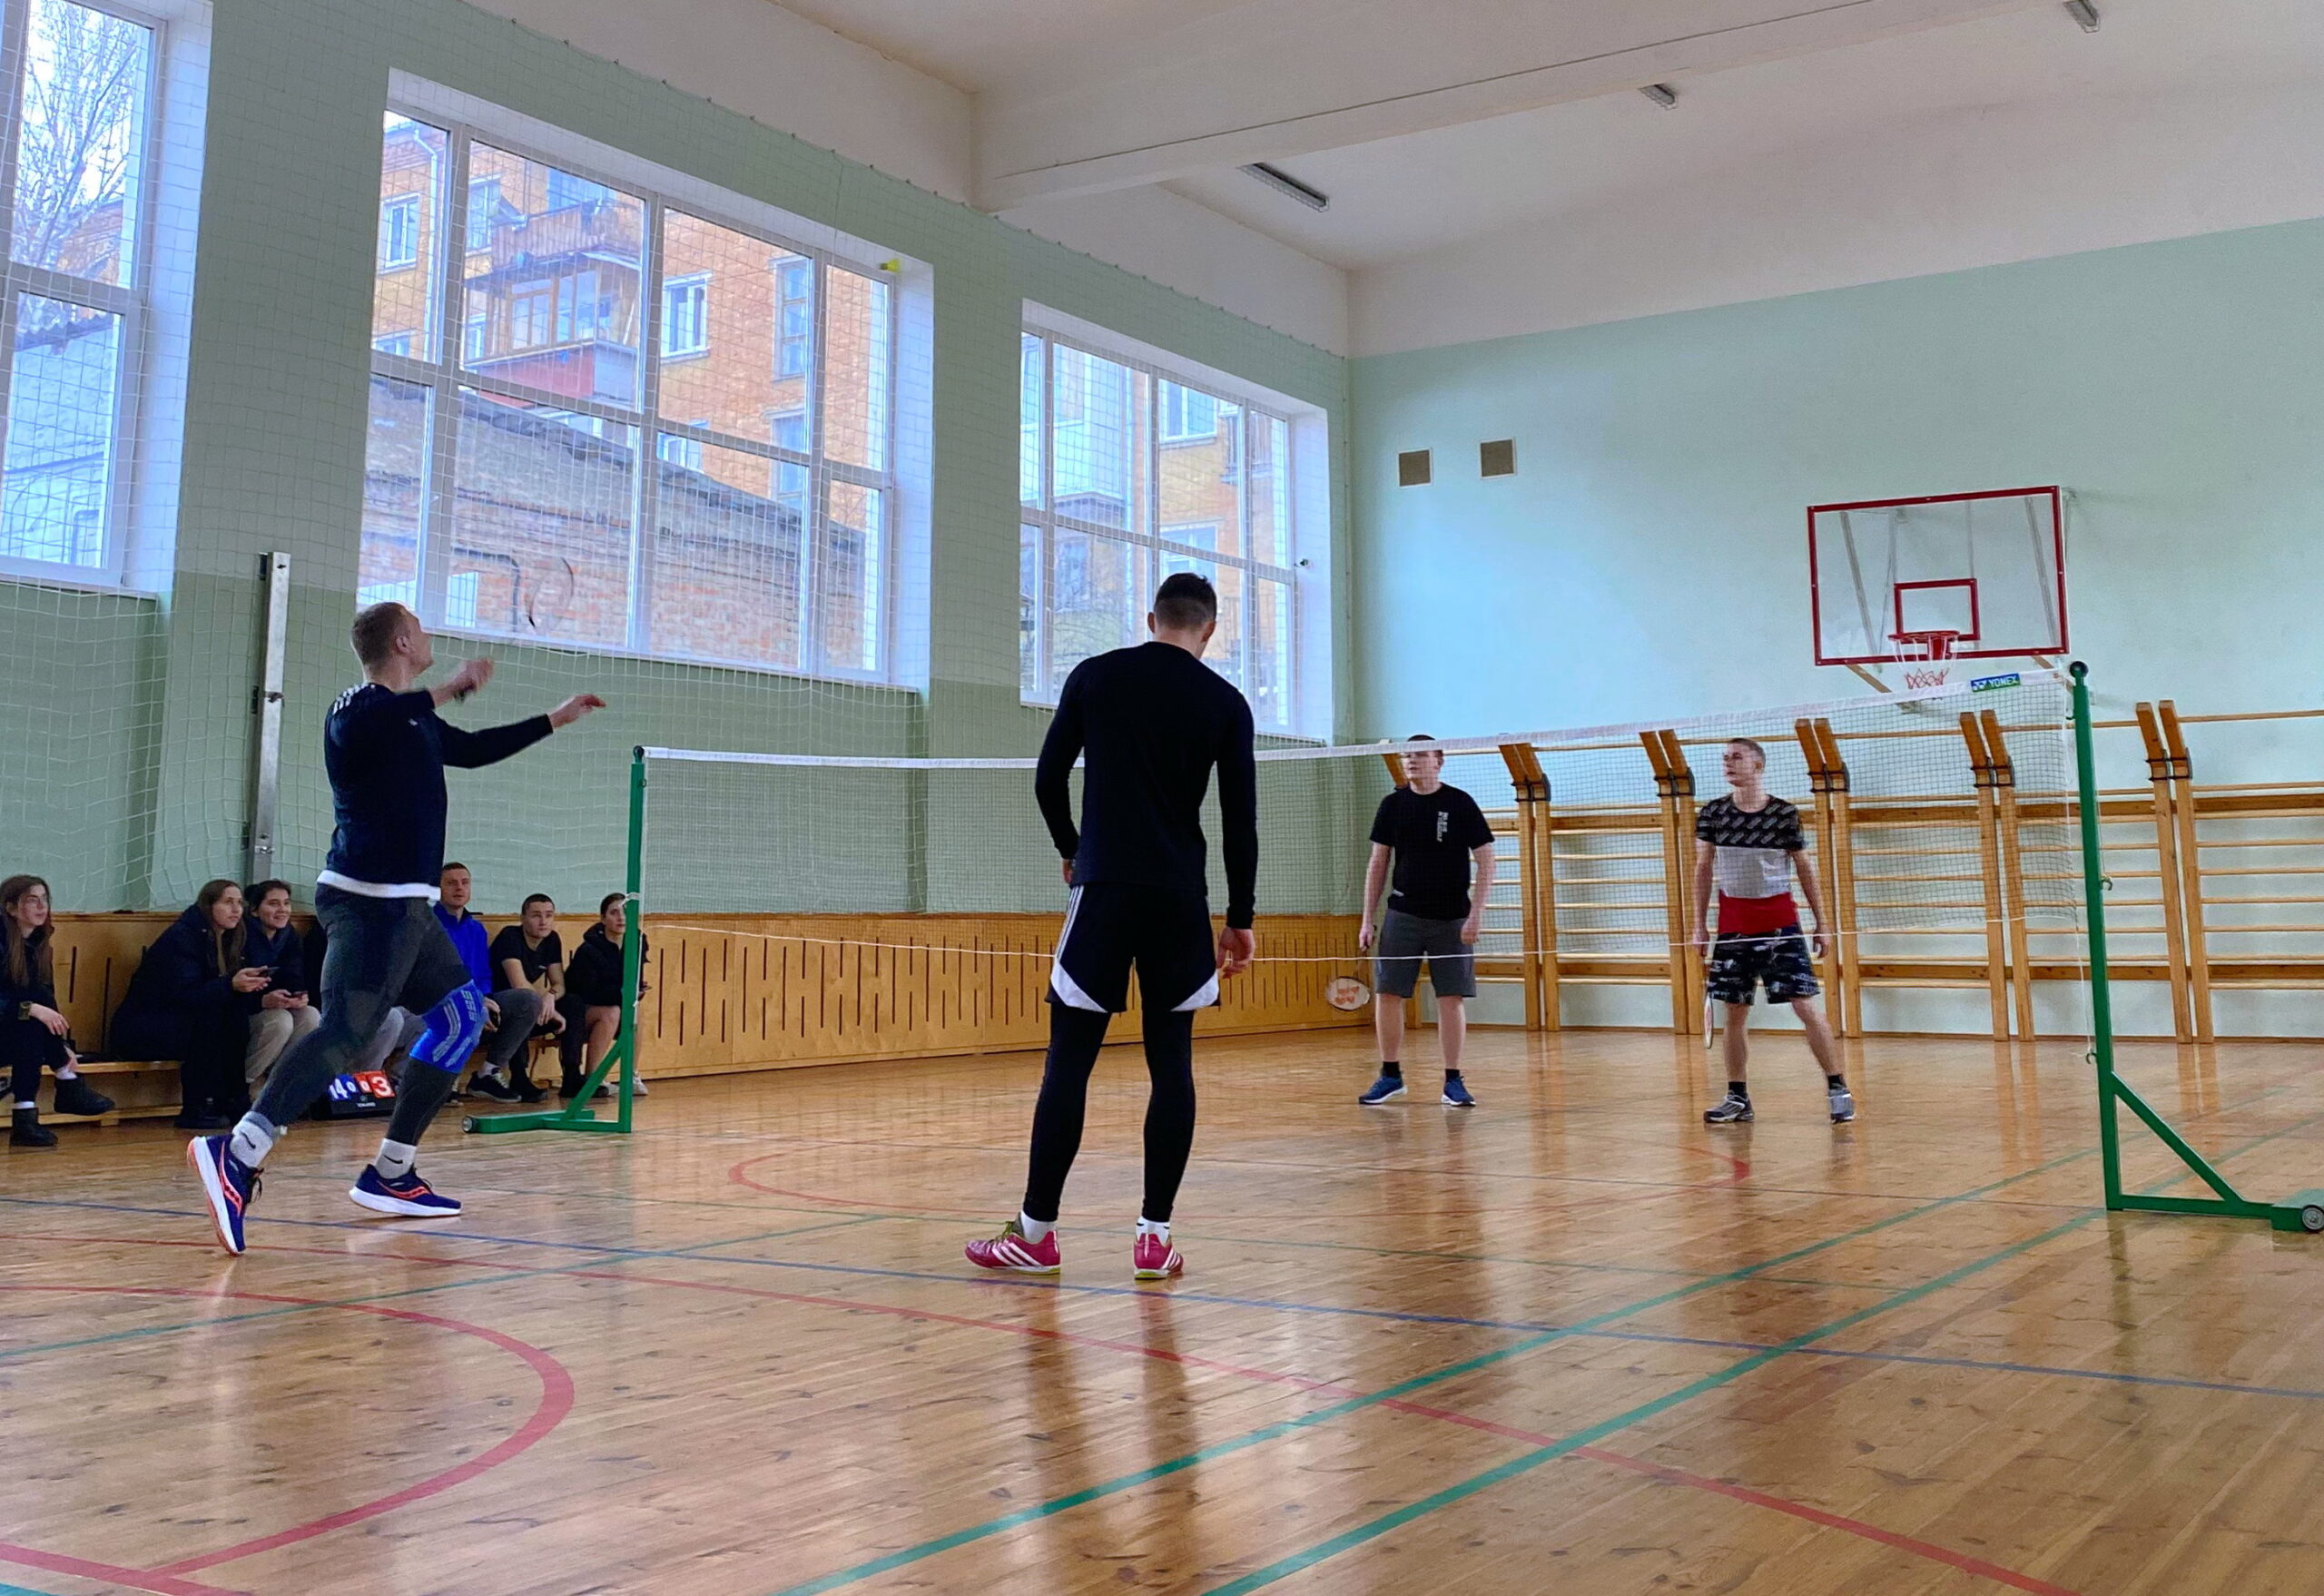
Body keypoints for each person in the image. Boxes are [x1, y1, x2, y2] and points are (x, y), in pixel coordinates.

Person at [186, 601, 602, 1253]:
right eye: (423, 630)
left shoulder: (414, 718)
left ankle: (392, 1172)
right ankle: (237, 1152)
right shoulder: (358, 707)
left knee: (462, 1018)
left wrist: (554, 718)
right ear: (403, 642)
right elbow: (386, 716)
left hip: (410, 909)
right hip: (369, 903)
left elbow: (471, 749)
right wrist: (453, 685)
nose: (431, 638)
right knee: (346, 1032)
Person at [966, 571, 1256, 1282]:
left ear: (1152, 618)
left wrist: (1073, 849)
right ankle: (1154, 1239)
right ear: (1209, 630)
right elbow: (1240, 823)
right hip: (1180, 901)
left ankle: (1036, 1235)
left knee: (1069, 1062)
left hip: (1104, 891)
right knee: (1172, 1065)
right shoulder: (1226, 702)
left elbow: (1047, 778)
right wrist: (1240, 918)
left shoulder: (1095, 676)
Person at [1691, 737, 1853, 1126]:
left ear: (1758, 766)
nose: (1728, 763)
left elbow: (1804, 867)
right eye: (1725, 758)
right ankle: (1737, 1098)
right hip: (1733, 928)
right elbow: (1703, 868)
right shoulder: (1713, 813)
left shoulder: (1783, 814)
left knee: (1805, 1006)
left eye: (1737, 757)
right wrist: (1699, 925)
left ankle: (1838, 1089)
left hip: (1780, 926)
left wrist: (1822, 923)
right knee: (1735, 1011)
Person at [1356, 735, 1496, 1108]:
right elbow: (1378, 863)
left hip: (1452, 917)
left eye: (1419, 755)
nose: (1411, 761)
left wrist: (1476, 914)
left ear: (1439, 760)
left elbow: (1486, 860)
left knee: (1450, 997)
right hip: (1402, 914)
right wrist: (1367, 919)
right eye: (1406, 755)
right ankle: (1390, 1076)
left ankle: (1453, 1081)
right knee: (1389, 993)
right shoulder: (1393, 805)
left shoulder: (1460, 803)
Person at [112, 879, 271, 1129]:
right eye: (228, 902)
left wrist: (251, 987)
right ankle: (199, 1106)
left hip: (186, 1021)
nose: (236, 910)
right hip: (146, 1026)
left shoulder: (232, 937)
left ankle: (233, 1098)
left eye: (240, 903)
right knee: (209, 1021)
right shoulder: (182, 938)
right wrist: (231, 985)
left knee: (233, 1015)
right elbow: (184, 995)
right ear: (209, 906)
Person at [2, 874, 114, 1147]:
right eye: (32, 900)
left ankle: (29, 1116)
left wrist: (62, 1044)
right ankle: (66, 1084)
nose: (42, 907)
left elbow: (46, 1000)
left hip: (17, 1033)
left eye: (45, 899)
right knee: (31, 1020)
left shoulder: (39, 944)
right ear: (11, 908)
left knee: (33, 1023)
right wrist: (29, 1008)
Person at [438, 863, 547, 1103]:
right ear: (438, 889)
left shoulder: (476, 929)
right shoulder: (429, 926)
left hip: (478, 998)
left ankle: (487, 1073)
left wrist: (485, 998)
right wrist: (474, 1000)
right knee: (465, 1009)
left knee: (528, 1000)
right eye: (451, 883)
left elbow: (483, 974)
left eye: (465, 882)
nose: (459, 888)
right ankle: (445, 1077)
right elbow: (435, 975)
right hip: (443, 1000)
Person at [560, 892, 647, 1098]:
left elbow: (635, 978)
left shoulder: (637, 941)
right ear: (603, 918)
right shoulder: (589, 949)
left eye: (625, 912)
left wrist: (635, 992)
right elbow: (589, 993)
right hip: (580, 1010)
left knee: (636, 1011)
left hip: (614, 1002)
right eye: (614, 913)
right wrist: (622, 994)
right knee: (612, 1013)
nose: (621, 917)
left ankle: (631, 1075)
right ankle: (593, 1078)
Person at [240, 880, 319, 1093]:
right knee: (279, 1021)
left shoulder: (288, 935)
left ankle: (277, 1084)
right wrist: (262, 1001)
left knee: (310, 1015)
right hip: (240, 1011)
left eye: (286, 903)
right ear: (255, 910)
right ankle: (242, 1085)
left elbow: (294, 976)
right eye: (274, 904)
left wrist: (297, 996)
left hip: (273, 1005)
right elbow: (230, 989)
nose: (282, 909)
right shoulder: (239, 935)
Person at [490, 892, 567, 1098]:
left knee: (572, 1004)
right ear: (523, 918)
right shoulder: (509, 937)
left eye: (549, 915)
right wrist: (548, 1009)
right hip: (497, 1005)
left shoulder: (552, 939)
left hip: (531, 1003)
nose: (543, 921)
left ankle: (572, 1075)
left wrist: (550, 996)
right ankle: (519, 1077)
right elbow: (519, 985)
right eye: (536, 915)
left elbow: (559, 983)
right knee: (525, 1005)